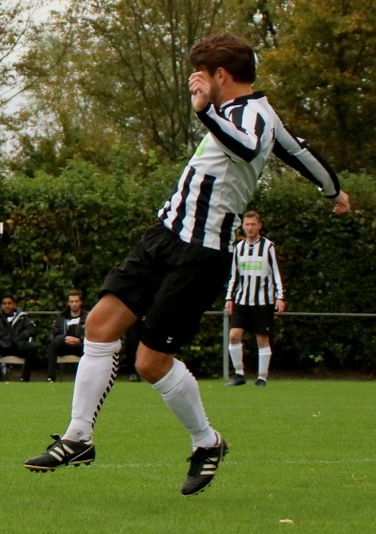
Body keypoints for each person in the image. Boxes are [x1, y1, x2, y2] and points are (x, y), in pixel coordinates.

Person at [23, 33, 349, 496]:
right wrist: (334, 190)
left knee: (152, 362)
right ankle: (78, 437)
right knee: (98, 326)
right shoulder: (240, 116)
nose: (195, 82)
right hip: (164, 236)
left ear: (220, 76)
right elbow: (301, 155)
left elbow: (249, 148)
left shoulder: (254, 116)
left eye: (201, 74)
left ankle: (207, 442)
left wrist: (204, 112)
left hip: (202, 254)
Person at [224, 211, 285, 387]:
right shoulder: (238, 247)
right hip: (241, 301)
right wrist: (229, 298)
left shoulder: (268, 247)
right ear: (243, 226)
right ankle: (239, 374)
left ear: (259, 226)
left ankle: (262, 377)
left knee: (261, 339)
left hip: (263, 302)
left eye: (253, 224)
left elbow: (276, 274)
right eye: (247, 224)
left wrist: (280, 297)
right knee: (234, 335)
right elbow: (234, 276)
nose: (250, 228)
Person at [0, 293, 37, 382]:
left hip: (18, 345)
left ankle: (24, 379)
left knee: (32, 348)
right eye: (4, 304)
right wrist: (1, 334)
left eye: (9, 303)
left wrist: (21, 336)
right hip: (3, 345)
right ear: (1, 306)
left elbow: (32, 329)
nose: (7, 306)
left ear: (14, 305)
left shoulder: (22, 317)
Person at [45, 290, 87, 382]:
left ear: (80, 302)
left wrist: (79, 340)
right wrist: (64, 338)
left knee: (89, 347)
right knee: (53, 344)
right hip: (63, 345)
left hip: (80, 346)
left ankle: (87, 380)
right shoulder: (61, 318)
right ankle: (50, 378)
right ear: (68, 303)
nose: (74, 304)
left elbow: (92, 335)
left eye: (76, 301)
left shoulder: (87, 317)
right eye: (72, 301)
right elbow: (52, 335)